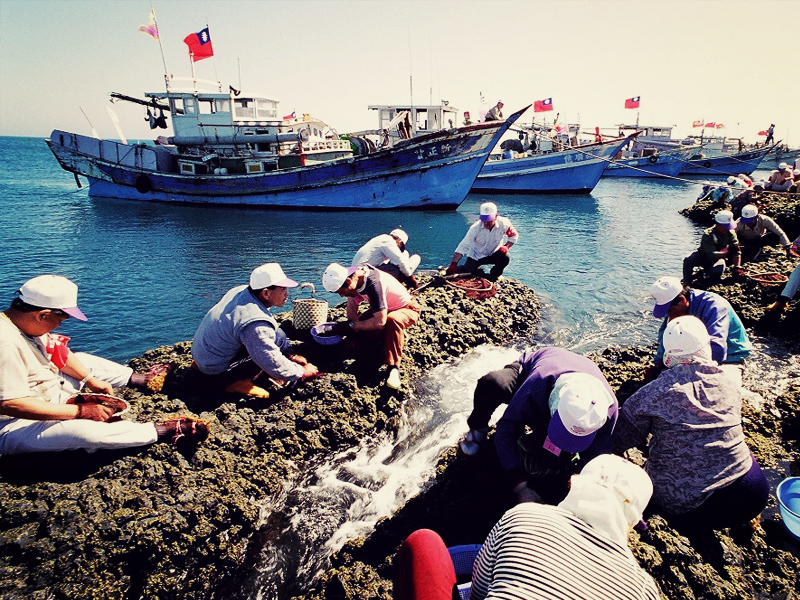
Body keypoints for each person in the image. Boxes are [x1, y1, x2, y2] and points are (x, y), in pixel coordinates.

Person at [393, 455, 660, 600]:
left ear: (575, 485)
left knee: (424, 543)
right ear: (632, 521)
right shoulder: (644, 590)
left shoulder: (525, 516)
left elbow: (478, 592)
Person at [0, 275, 208, 455]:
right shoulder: (6, 343)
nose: (61, 323)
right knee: (83, 433)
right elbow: (11, 404)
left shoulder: (26, 325)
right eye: (61, 318)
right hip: (18, 423)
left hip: (50, 392)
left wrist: (91, 380)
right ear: (42, 315)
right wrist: (81, 412)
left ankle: (143, 380)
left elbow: (58, 351)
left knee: (82, 359)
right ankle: (162, 431)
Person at [614, 316, 769, 530]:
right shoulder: (729, 381)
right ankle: (743, 519)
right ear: (706, 348)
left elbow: (619, 440)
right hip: (753, 492)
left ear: (668, 356)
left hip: (688, 503)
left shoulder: (652, 394)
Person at [459, 346, 618, 504]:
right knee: (493, 383)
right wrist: (520, 486)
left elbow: (596, 458)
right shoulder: (537, 384)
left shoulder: (610, 411)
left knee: (554, 461)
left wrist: (574, 484)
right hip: (531, 373)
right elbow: (506, 431)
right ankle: (478, 429)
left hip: (566, 385)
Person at [192, 263, 318, 398]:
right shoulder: (254, 323)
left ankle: (204, 363)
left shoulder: (242, 291)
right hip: (216, 368)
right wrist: (301, 372)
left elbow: (272, 333)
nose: (287, 293)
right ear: (266, 293)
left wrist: (290, 353)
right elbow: (270, 360)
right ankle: (236, 381)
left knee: (277, 334)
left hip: (205, 353)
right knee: (262, 354)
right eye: (282, 289)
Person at [321, 262, 421, 390]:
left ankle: (393, 367)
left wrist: (355, 326)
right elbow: (352, 306)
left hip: (406, 308)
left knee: (391, 320)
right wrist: (353, 328)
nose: (341, 295)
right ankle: (391, 336)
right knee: (361, 327)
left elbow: (380, 322)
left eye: (341, 292)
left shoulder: (374, 284)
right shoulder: (354, 277)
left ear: (348, 281)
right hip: (386, 309)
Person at [648, 276, 751, 379]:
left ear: (682, 300)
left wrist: (697, 373)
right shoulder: (675, 309)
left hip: (729, 357)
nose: (669, 315)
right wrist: (658, 365)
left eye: (670, 311)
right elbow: (665, 337)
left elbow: (717, 348)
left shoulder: (714, 306)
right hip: (694, 355)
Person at [445, 202, 518, 281]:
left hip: (494, 254)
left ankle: (495, 274)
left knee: (506, 258)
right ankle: (462, 268)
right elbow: (464, 246)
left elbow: (514, 236)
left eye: (489, 220)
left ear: (496, 217)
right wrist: (454, 263)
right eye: (484, 220)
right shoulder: (475, 228)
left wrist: (507, 246)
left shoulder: (504, 223)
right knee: (468, 272)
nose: (486, 223)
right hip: (476, 256)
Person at [682, 210, 742, 284]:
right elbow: (710, 254)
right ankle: (686, 281)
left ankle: (705, 274)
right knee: (688, 260)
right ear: (717, 225)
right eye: (725, 227)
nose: (727, 229)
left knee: (718, 269)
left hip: (718, 258)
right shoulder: (708, 234)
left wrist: (737, 267)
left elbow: (736, 250)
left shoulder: (731, 233)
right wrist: (728, 253)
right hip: (703, 255)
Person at [351, 229, 421, 289]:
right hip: (364, 277)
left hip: (357, 275)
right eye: (400, 246)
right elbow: (401, 262)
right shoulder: (388, 242)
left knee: (404, 255)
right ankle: (402, 285)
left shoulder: (381, 239)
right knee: (413, 259)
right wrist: (411, 279)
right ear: (400, 241)